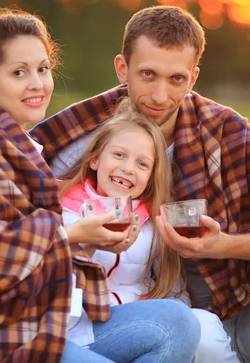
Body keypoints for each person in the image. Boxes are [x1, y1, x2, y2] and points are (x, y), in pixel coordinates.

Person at [31, 5, 250, 363]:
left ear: (193, 78)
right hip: (172, 325)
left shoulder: (226, 132)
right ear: (123, 69)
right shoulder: (84, 136)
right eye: (147, 74)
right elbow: (19, 207)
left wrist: (225, 245)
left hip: (245, 318)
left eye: (176, 79)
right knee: (189, 328)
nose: (160, 96)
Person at [0, 8, 200, 363]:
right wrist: (74, 234)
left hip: (38, 322)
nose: (38, 84)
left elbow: (39, 251)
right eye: (19, 72)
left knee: (178, 323)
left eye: (42, 69)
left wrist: (88, 245)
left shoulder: (20, 144)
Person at [59, 103, 193, 343]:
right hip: (74, 327)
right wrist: (86, 245)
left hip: (135, 323)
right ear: (95, 160)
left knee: (188, 325)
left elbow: (174, 291)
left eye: (142, 164)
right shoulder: (62, 209)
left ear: (151, 177)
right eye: (119, 155)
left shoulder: (153, 222)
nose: (128, 168)